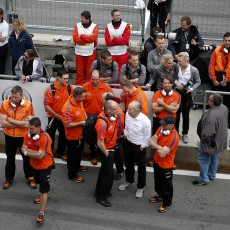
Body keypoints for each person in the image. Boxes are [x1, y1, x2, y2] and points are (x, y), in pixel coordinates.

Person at [0, 85, 35, 190]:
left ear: (21, 96)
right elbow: (2, 123)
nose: (13, 99)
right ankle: (9, 179)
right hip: (9, 136)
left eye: (16, 97)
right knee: (10, 159)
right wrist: (21, 123)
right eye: (12, 96)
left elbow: (29, 124)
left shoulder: (28, 104)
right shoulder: (5, 103)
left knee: (27, 158)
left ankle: (30, 177)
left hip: (23, 137)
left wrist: (11, 121)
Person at [21, 117, 54, 224]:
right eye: (28, 128)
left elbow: (40, 156)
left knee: (43, 189)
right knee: (38, 183)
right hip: (34, 166)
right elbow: (24, 148)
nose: (28, 131)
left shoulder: (46, 138)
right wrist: (34, 153)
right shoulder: (27, 134)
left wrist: (27, 152)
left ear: (38, 128)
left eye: (31, 129)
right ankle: (43, 194)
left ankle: (41, 213)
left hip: (45, 166)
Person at [193, 93, 228, 186]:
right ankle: (211, 175)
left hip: (211, 142)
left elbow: (206, 134)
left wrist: (203, 140)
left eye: (209, 99)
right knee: (215, 157)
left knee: (203, 159)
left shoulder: (212, 116)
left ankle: (203, 179)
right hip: (220, 139)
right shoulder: (223, 108)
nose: (207, 100)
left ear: (212, 103)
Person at [118, 101, 151, 198]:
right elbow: (127, 126)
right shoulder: (128, 114)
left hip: (139, 146)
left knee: (141, 167)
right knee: (128, 164)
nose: (127, 110)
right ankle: (129, 181)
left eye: (130, 109)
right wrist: (125, 136)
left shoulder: (145, 121)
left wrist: (142, 146)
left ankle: (141, 187)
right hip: (127, 142)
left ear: (137, 111)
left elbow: (147, 136)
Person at [148, 115, 179, 213]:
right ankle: (160, 195)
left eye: (165, 125)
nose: (162, 126)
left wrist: (156, 146)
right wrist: (160, 147)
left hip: (166, 165)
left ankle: (167, 203)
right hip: (157, 162)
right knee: (157, 182)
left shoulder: (174, 137)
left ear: (171, 125)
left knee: (167, 186)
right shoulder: (161, 128)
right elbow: (151, 141)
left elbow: (162, 154)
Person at [148, 75, 180, 167]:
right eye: (165, 83)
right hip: (159, 121)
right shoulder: (158, 93)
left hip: (170, 123)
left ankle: (171, 161)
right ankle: (156, 159)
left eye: (168, 83)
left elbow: (174, 110)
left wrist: (162, 104)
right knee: (156, 140)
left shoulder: (176, 95)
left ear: (172, 84)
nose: (166, 85)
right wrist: (168, 106)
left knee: (171, 143)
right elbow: (154, 109)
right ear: (162, 84)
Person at [82, 70, 113, 165]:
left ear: (100, 78)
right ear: (90, 78)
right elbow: (80, 103)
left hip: (102, 117)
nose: (95, 81)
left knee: (101, 136)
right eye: (93, 79)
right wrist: (84, 115)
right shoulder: (85, 87)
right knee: (90, 137)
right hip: (88, 116)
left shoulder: (106, 88)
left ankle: (102, 154)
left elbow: (111, 101)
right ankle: (93, 154)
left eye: (97, 79)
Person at [43, 69, 74, 161]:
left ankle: (60, 153)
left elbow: (73, 102)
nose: (66, 81)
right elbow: (46, 106)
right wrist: (56, 115)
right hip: (53, 117)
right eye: (64, 78)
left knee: (64, 135)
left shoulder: (70, 88)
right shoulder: (50, 89)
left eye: (67, 79)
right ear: (58, 78)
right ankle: (49, 153)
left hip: (65, 117)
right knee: (50, 135)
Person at [95, 100, 119, 207]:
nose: (117, 111)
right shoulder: (102, 123)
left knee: (104, 171)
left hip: (111, 148)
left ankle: (98, 191)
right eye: (114, 109)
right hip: (106, 150)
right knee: (109, 174)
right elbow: (100, 143)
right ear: (108, 110)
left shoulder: (110, 116)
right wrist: (107, 154)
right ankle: (102, 197)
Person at [61, 87, 87, 183]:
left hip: (80, 134)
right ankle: (72, 175)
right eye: (83, 97)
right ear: (77, 96)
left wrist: (85, 117)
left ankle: (77, 166)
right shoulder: (67, 108)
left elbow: (82, 109)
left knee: (78, 152)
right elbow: (67, 125)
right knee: (72, 156)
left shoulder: (79, 101)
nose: (84, 99)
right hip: (72, 137)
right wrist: (81, 123)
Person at [175, 52, 201, 143]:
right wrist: (176, 83)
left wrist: (191, 88)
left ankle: (185, 133)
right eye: (178, 61)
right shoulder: (177, 67)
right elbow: (173, 77)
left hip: (187, 94)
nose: (179, 63)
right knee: (176, 113)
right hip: (177, 93)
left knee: (185, 115)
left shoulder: (193, 70)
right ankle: (176, 132)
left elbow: (198, 81)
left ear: (187, 60)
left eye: (180, 61)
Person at [209, 32, 230, 128]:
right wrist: (213, 79)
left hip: (228, 80)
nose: (227, 42)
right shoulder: (217, 50)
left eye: (229, 41)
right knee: (215, 100)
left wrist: (227, 79)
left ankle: (227, 122)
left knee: (228, 101)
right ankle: (213, 119)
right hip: (217, 77)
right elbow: (211, 66)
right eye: (225, 40)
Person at [101, 92, 125, 180]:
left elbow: (120, 127)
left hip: (115, 139)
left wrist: (116, 139)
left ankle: (119, 171)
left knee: (117, 156)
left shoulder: (118, 113)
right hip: (109, 138)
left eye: (102, 99)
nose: (101, 100)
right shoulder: (106, 109)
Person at [72, 11, 99, 85]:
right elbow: (75, 39)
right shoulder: (77, 26)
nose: (80, 19)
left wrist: (82, 36)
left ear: (87, 19)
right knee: (79, 72)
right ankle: (78, 87)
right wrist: (86, 40)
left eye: (82, 18)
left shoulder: (95, 27)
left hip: (90, 53)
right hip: (79, 52)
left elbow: (93, 38)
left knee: (89, 72)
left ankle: (89, 87)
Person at [104, 9, 131, 74]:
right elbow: (108, 42)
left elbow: (125, 41)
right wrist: (120, 39)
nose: (118, 17)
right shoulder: (108, 27)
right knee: (111, 73)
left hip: (123, 54)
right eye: (116, 15)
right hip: (111, 54)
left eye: (119, 15)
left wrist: (113, 39)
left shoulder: (126, 26)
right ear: (112, 16)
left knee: (121, 73)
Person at [0, 8, 9, 74]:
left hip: (2, 47)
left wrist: (1, 37)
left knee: (1, 66)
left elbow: (3, 39)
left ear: (2, 15)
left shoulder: (5, 25)